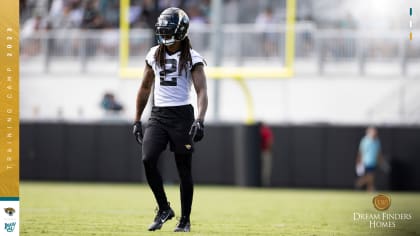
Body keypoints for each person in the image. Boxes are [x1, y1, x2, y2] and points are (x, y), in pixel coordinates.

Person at [132, 7, 208, 232]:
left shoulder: (193, 57)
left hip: (182, 115)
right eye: (162, 30)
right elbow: (145, 87)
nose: (164, 35)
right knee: (148, 159)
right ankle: (164, 208)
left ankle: (185, 220)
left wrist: (200, 119)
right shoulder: (154, 53)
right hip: (159, 114)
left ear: (181, 31)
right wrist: (137, 119)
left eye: (168, 30)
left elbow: (202, 91)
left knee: (183, 169)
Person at [355, 127, 384, 192]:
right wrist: (359, 161)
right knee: (370, 176)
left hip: (373, 162)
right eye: (373, 131)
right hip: (366, 162)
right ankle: (360, 183)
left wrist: (380, 161)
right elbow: (360, 152)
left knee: (371, 177)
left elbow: (378, 153)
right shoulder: (365, 140)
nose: (374, 133)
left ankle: (369, 189)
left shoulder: (377, 141)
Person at [260, 122, 274, 187]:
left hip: (263, 151)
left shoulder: (263, 130)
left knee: (265, 170)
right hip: (265, 152)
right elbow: (269, 141)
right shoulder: (265, 131)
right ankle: (265, 184)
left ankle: (264, 184)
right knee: (265, 170)